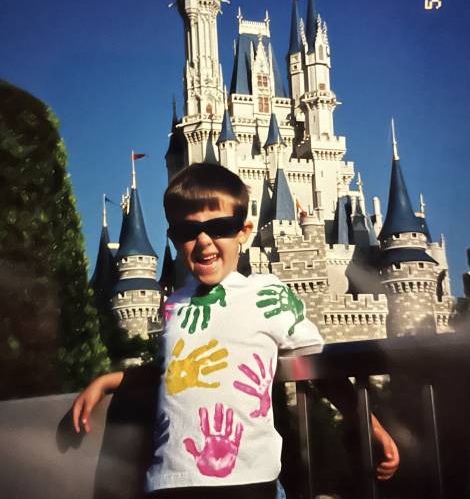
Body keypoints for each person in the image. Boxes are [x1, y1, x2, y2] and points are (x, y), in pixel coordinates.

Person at [73, 163, 399, 498]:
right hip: (171, 482)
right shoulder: (173, 306)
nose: (204, 241)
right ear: (173, 238)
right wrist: (108, 381)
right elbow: (169, 373)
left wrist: (369, 425)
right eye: (188, 231)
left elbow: (319, 367)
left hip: (249, 481)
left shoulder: (267, 294)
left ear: (243, 231)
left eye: (219, 227)